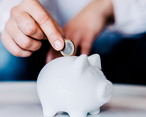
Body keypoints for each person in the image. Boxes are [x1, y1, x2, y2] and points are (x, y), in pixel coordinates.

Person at [1, 0, 146, 81]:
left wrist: (109, 6)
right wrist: (20, 16)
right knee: (7, 58)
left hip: (131, 38)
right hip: (44, 45)